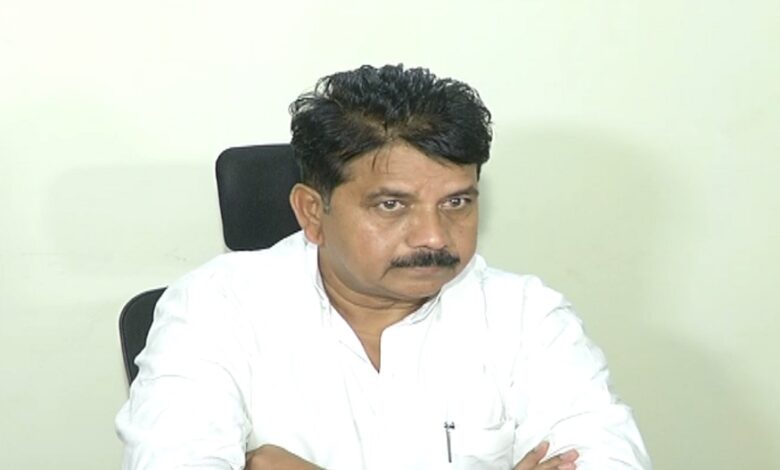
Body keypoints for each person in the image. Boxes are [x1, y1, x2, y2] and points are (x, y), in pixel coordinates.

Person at [116, 64, 651, 470]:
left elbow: (607, 457)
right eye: (392, 205)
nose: (434, 236)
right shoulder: (215, 307)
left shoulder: (527, 316)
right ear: (312, 212)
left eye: (457, 202)